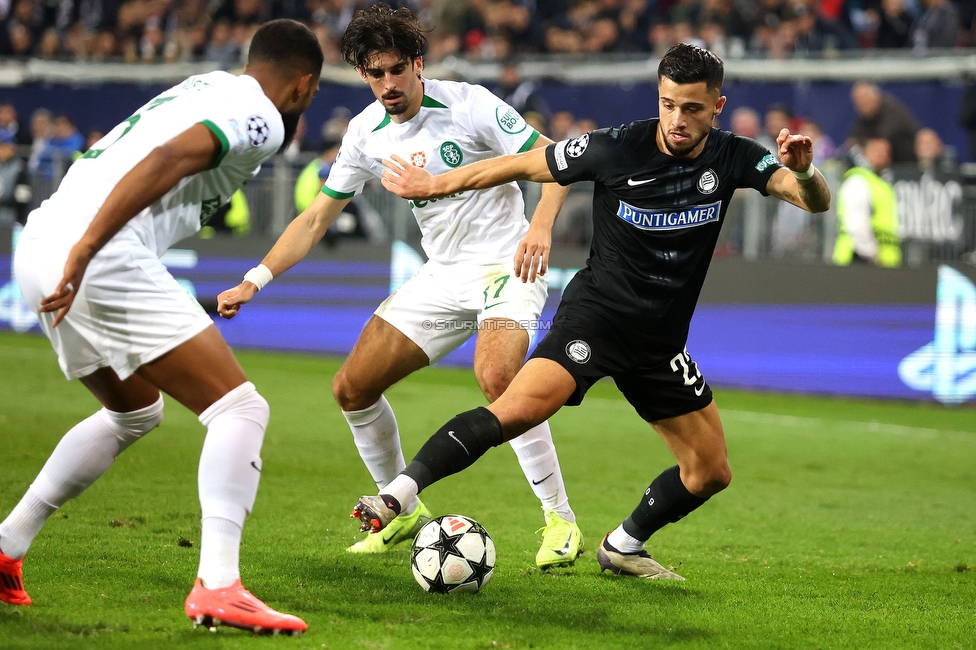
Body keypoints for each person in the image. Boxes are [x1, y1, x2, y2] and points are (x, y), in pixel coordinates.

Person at [353, 42, 831, 580]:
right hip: (596, 320)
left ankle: (623, 546)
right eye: (668, 103)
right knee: (514, 409)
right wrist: (436, 184)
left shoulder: (737, 156)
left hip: (659, 345)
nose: (677, 119)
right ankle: (397, 495)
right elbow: (524, 163)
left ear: (716, 107)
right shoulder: (617, 146)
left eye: (692, 108)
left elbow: (813, 201)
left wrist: (807, 173)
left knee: (710, 472)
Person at [217, 4, 584, 570]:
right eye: (373, 73)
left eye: (395, 70)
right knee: (351, 388)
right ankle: (405, 510)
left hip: (505, 268)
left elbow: (554, 160)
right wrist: (254, 279)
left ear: (417, 64)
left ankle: (560, 519)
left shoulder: (470, 103)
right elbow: (315, 218)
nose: (387, 84)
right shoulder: (365, 133)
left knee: (499, 379)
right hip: (441, 275)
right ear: (363, 75)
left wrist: (539, 227)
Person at [0, 19, 322, 635]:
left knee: (136, 411)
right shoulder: (264, 116)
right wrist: (90, 247)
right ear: (302, 85)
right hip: (96, 251)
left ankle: (7, 545)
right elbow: (173, 156)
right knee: (240, 410)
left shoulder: (207, 86)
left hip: (39, 243)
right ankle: (219, 586)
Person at [834, 137, 902, 267]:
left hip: (884, 262)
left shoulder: (884, 184)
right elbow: (856, 224)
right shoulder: (858, 181)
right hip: (858, 260)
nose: (883, 155)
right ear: (865, 153)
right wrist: (873, 255)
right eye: (877, 150)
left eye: (886, 151)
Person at [846, 81, 920, 164]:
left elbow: (880, 142)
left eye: (865, 99)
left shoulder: (892, 112)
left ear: (875, 97)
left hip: (908, 165)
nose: (861, 104)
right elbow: (851, 141)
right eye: (857, 102)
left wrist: (865, 143)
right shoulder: (863, 118)